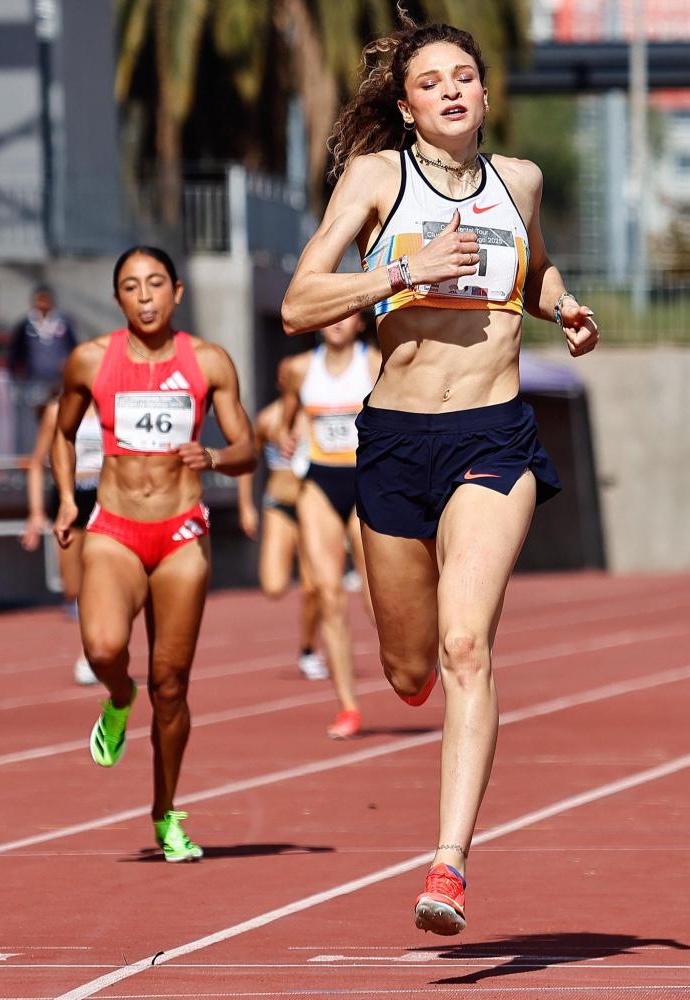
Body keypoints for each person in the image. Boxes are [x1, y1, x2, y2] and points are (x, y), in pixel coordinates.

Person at [280, 14, 598, 933]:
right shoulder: (378, 179)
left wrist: (563, 305)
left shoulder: (520, 181)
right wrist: (399, 275)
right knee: (410, 668)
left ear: (487, 96)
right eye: (432, 81)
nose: (453, 90)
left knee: (468, 645)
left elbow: (530, 268)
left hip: (494, 439)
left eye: (466, 76)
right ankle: (409, 683)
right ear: (408, 106)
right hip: (392, 442)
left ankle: (449, 865)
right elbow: (302, 300)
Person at [52, 245, 255, 862]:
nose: (145, 297)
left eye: (156, 284)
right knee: (105, 649)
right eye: (132, 287)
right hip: (113, 528)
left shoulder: (208, 362)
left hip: (181, 535)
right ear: (118, 299)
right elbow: (62, 436)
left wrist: (215, 457)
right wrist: (65, 499)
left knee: (171, 684)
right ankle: (117, 698)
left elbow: (248, 446)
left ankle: (166, 813)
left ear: (177, 293)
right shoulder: (89, 361)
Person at [279, 315, 381, 738]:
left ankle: (413, 652)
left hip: (366, 483)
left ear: (360, 322)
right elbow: (287, 419)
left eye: (347, 315)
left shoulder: (375, 362)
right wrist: (286, 436)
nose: (337, 323)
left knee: (379, 602)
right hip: (319, 481)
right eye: (330, 316)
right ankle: (348, 706)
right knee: (327, 593)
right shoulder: (298, 369)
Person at [237, 398, 327, 680]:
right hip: (278, 504)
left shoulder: (317, 415)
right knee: (274, 585)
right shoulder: (267, 417)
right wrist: (245, 506)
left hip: (312, 504)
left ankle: (309, 649)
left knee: (314, 587)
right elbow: (246, 458)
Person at [21, 389, 102, 685]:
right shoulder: (58, 410)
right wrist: (35, 513)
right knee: (73, 587)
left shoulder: (113, 408)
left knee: (99, 579)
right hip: (69, 498)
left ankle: (91, 652)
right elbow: (36, 463)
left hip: (105, 497)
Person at [8, 284, 78, 385]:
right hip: (33, 376)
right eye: (40, 299)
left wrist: (68, 363)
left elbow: (72, 346)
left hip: (58, 377)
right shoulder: (26, 324)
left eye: (46, 299)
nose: (43, 303)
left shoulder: (63, 322)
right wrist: (16, 370)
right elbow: (16, 350)